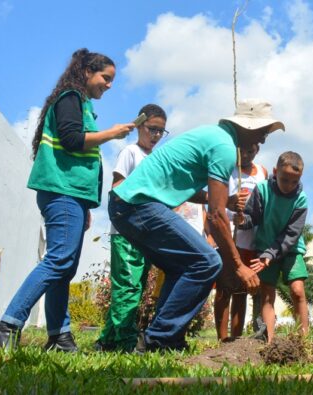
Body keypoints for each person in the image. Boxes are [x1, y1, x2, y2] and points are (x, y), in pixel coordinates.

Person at [0, 49, 135, 351]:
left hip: (72, 195)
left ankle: (59, 336)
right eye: (106, 78)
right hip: (62, 191)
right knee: (59, 260)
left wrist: (85, 205)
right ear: (87, 73)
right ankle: (7, 326)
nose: (109, 85)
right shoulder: (70, 98)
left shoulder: (83, 104)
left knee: (65, 267)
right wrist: (112, 134)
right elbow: (71, 140)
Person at [109, 99, 284, 352]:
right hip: (137, 205)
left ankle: (166, 337)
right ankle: (158, 338)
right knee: (208, 261)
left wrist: (226, 201)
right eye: (262, 132)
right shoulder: (224, 148)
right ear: (246, 127)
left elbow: (188, 188)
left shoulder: (215, 137)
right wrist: (238, 266)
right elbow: (216, 215)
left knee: (185, 265)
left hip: (127, 206)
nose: (264, 140)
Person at [95, 104, 168, 352]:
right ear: (139, 126)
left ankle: (106, 341)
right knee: (127, 288)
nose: (156, 135)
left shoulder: (155, 158)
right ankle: (125, 343)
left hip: (144, 235)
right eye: (152, 129)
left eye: (161, 131)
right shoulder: (130, 152)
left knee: (134, 289)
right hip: (127, 232)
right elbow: (117, 187)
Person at [234, 151, 309, 343]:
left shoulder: (301, 199)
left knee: (298, 290)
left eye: (295, 181)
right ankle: (270, 342)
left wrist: (271, 253)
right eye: (285, 180)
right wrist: (242, 220)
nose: (289, 186)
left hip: (290, 250)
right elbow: (253, 218)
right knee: (267, 295)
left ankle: (303, 341)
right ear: (275, 171)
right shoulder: (262, 190)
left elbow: (291, 234)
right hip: (264, 249)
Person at [214, 143, 268, 341]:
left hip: (251, 240)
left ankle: (235, 340)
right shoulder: (227, 169)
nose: (245, 154)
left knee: (241, 291)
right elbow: (215, 200)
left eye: (250, 150)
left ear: (257, 150)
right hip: (228, 237)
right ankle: (222, 338)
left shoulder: (262, 172)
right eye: (242, 150)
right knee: (224, 288)